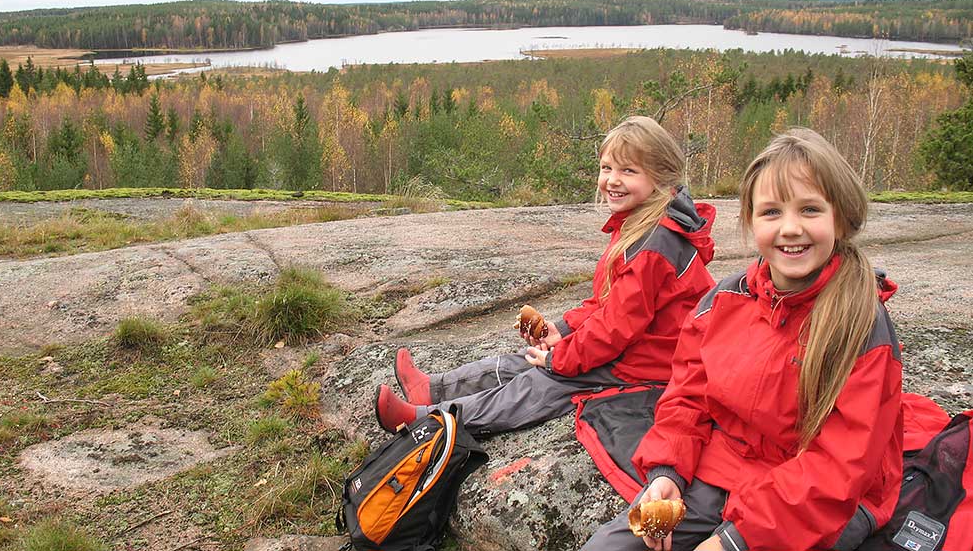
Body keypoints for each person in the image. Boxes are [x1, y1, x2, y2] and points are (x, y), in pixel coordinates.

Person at [582, 128, 904, 551]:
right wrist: (666, 472)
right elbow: (687, 395)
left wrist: (735, 541)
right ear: (751, 221)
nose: (790, 229)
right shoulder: (727, 299)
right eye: (771, 212)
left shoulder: (860, 324)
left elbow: (839, 468)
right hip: (726, 471)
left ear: (841, 218)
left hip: (818, 505)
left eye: (809, 210)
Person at [373, 115, 716, 437]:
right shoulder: (642, 225)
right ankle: (431, 389)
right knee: (523, 361)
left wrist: (560, 359)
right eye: (606, 167)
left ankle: (427, 422)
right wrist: (563, 330)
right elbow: (606, 305)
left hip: (656, 365)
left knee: (542, 381)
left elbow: (616, 328)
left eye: (628, 170)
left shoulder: (654, 245)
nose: (612, 179)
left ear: (660, 177)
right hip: (640, 348)